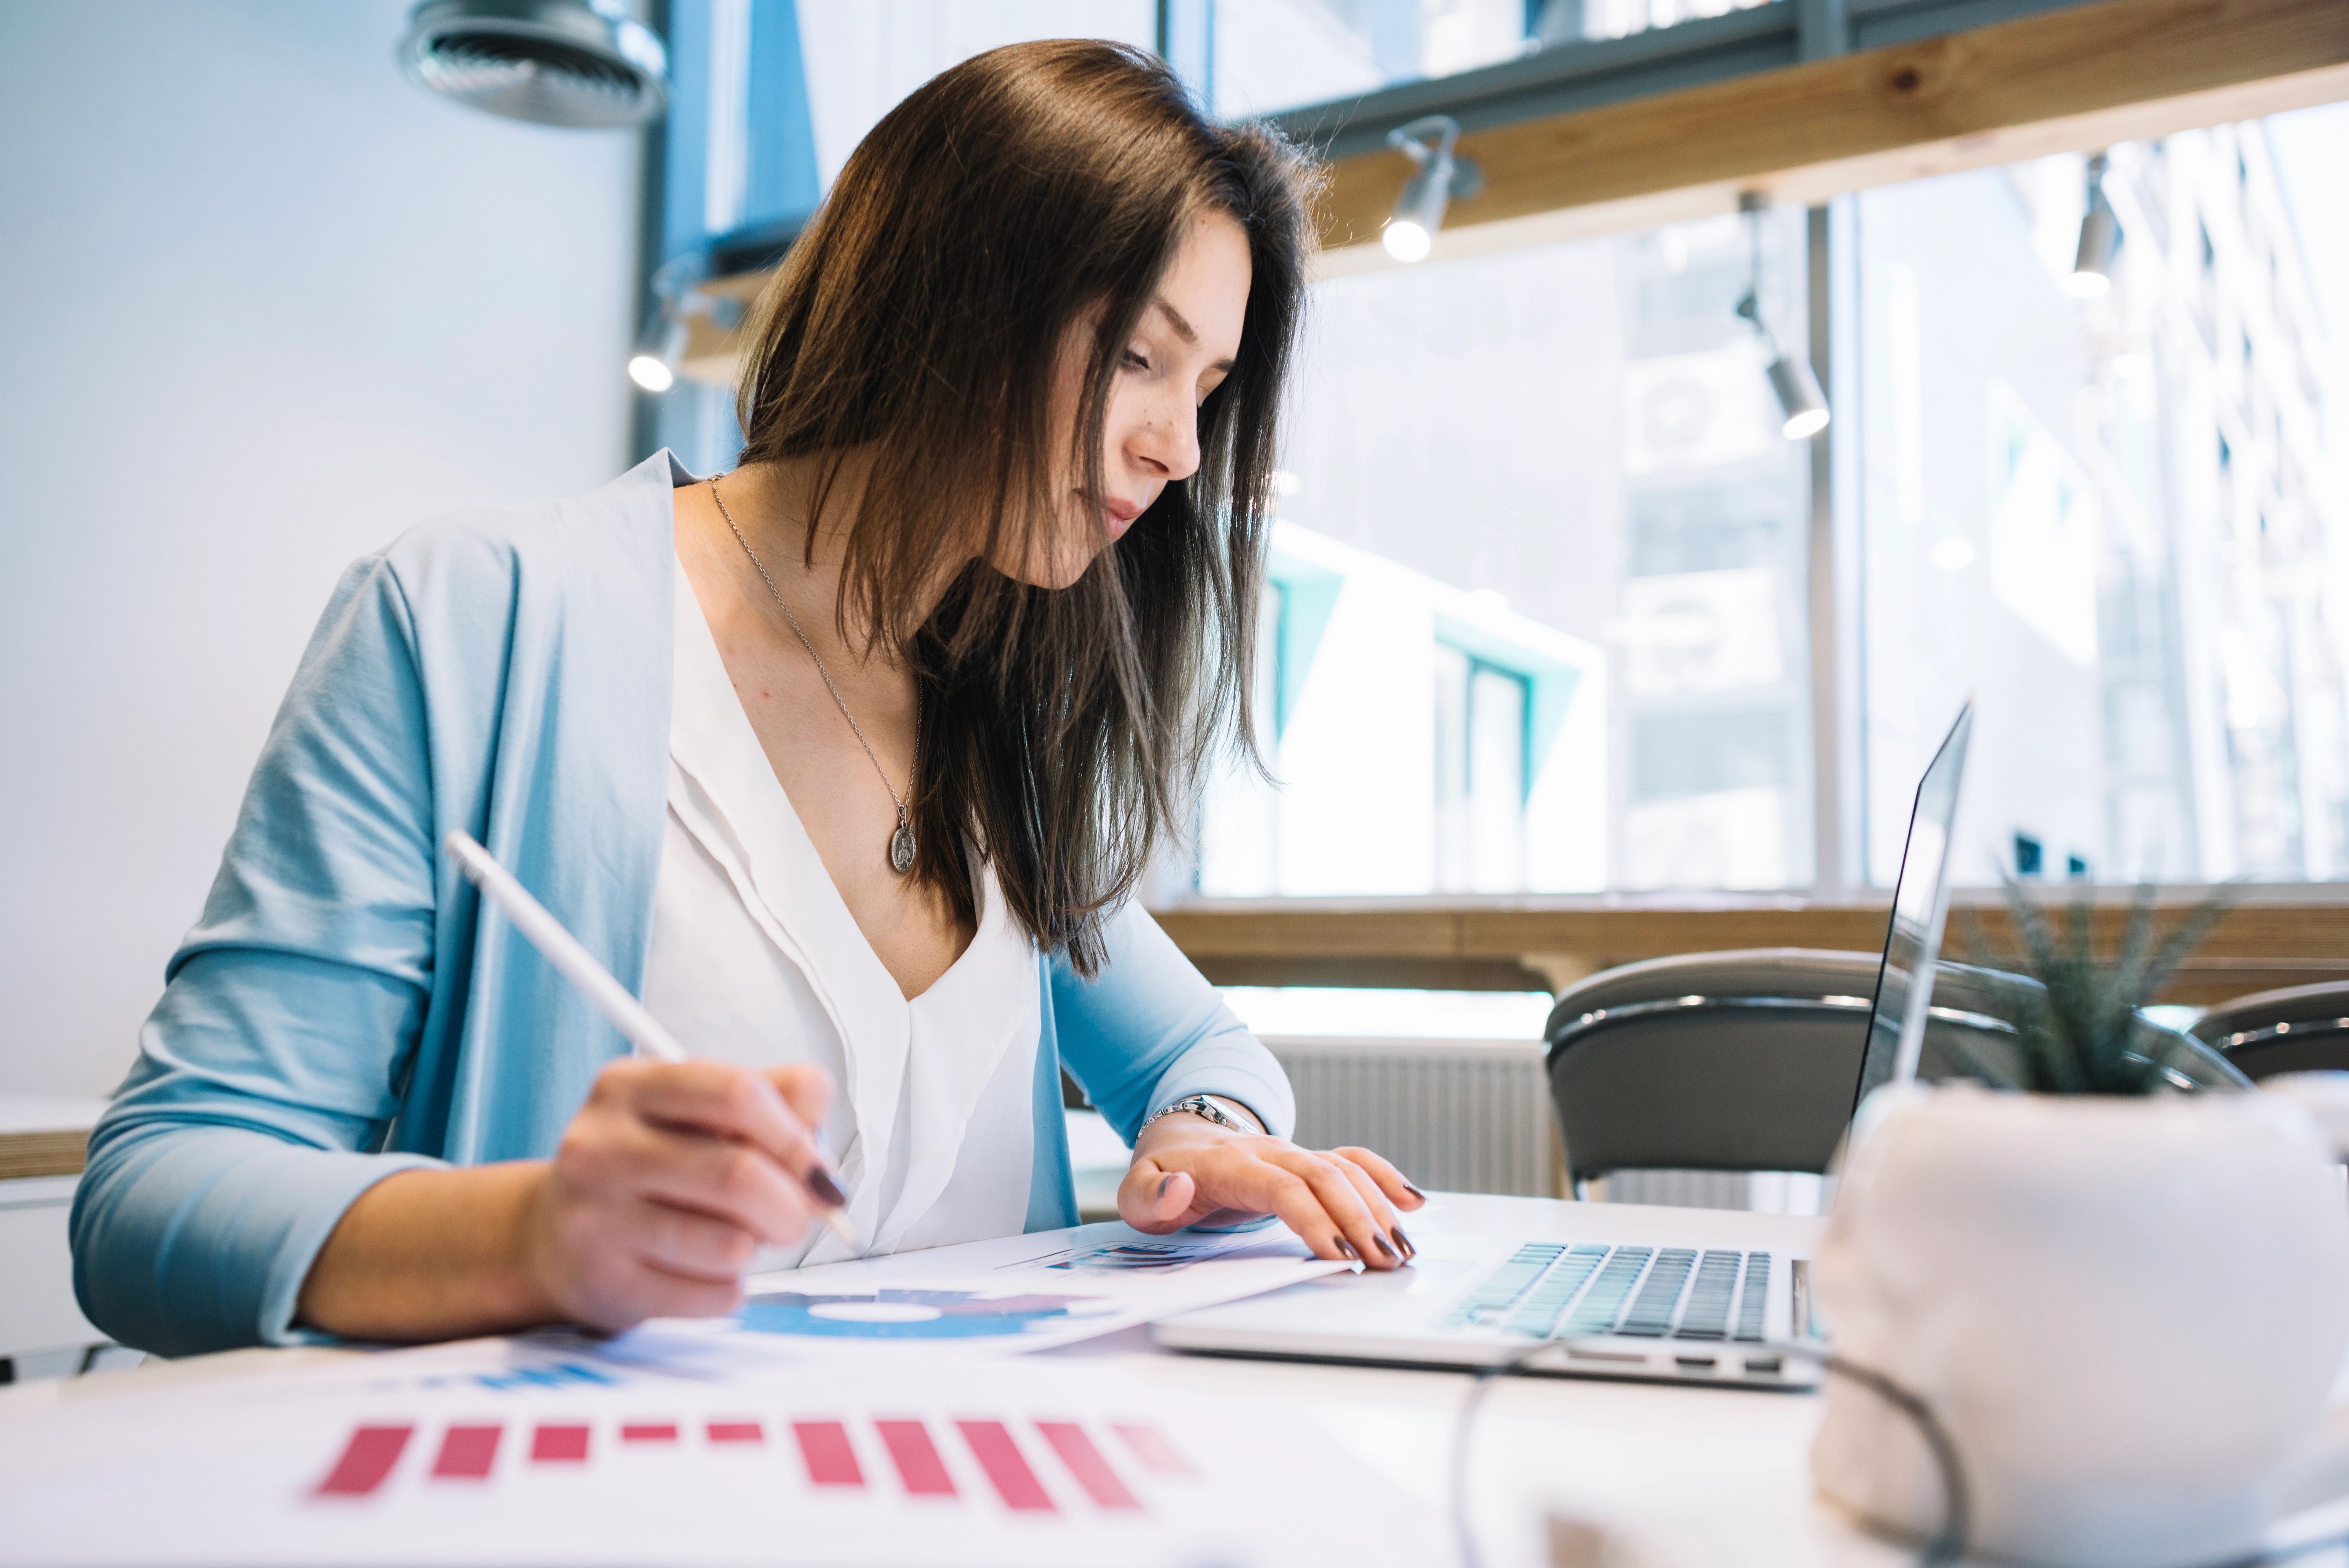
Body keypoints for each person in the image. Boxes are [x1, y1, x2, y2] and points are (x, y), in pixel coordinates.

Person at [72, 39, 1424, 1358]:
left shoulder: (1000, 725)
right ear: (953, 292)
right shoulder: (472, 619)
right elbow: (157, 1191)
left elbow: (1202, 1050)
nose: (1179, 450)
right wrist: (532, 1235)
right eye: (1137, 356)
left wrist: (1202, 1139)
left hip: (972, 1479)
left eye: (1209, 389)